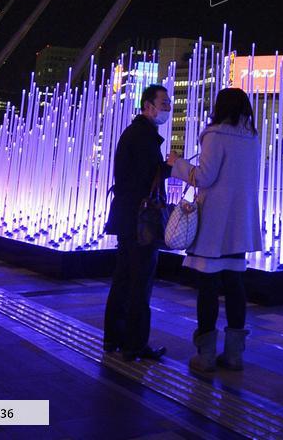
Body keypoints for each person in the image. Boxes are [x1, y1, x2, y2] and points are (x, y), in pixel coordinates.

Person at [167, 87, 261, 374]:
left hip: (214, 225)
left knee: (208, 288)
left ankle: (205, 356)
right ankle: (234, 356)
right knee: (235, 286)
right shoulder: (253, 138)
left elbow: (204, 177)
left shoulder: (214, 135)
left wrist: (177, 164)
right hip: (239, 224)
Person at [103, 84, 172, 360]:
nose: (167, 108)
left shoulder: (136, 133)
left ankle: (113, 339)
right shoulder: (143, 136)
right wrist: (172, 167)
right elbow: (145, 177)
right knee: (139, 283)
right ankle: (134, 344)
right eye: (163, 103)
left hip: (126, 218)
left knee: (123, 279)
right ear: (148, 105)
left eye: (169, 103)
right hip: (140, 222)